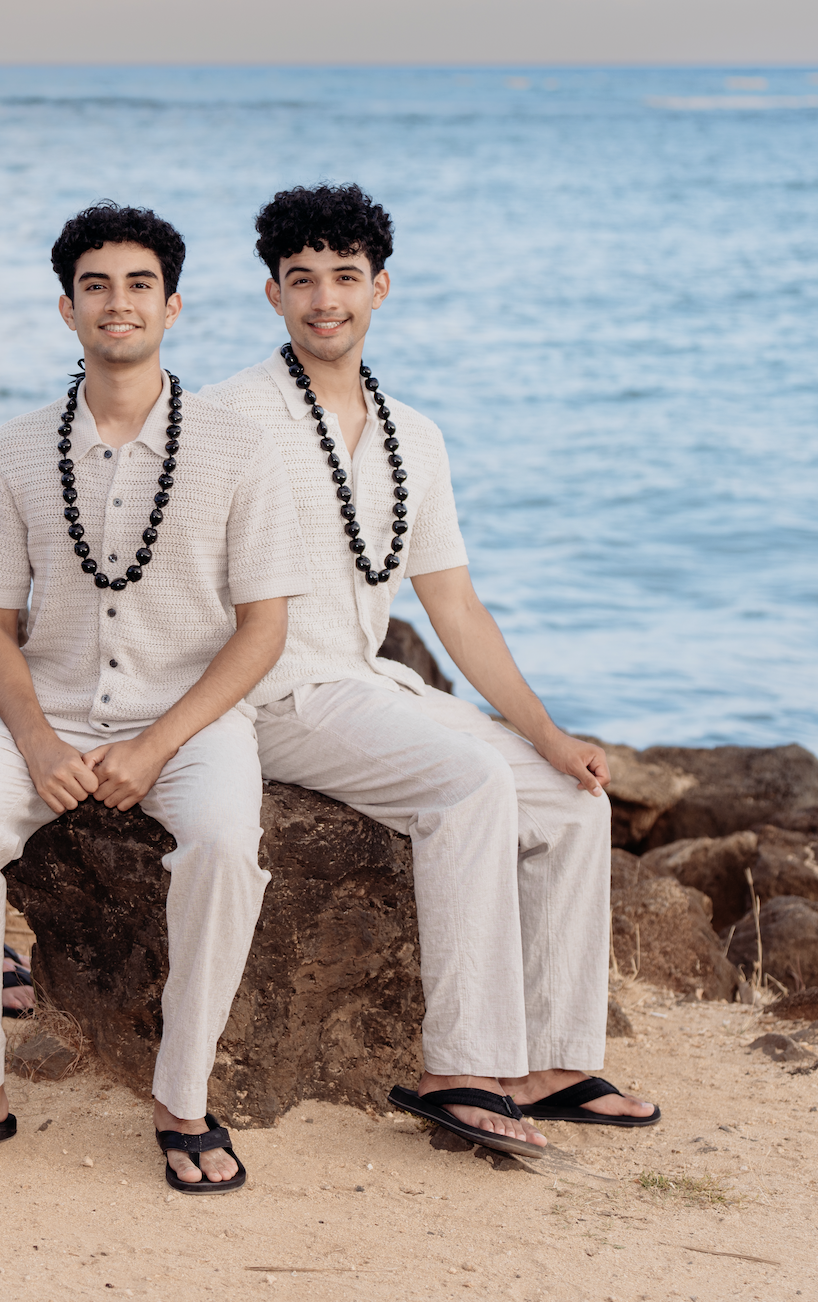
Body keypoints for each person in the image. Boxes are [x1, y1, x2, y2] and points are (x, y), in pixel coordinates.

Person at [204, 183, 657, 1155]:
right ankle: (458, 1065)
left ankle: (551, 1060)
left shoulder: (414, 433)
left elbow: (452, 604)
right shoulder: (230, 417)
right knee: (464, 780)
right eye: (301, 279)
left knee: (570, 800)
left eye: (344, 276)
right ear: (272, 294)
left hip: (366, 684)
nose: (325, 298)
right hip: (271, 694)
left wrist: (547, 730)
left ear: (381, 287)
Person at [0, 203, 308, 1193]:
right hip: (50, 709)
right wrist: (33, 741)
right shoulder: (20, 449)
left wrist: (156, 745)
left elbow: (263, 628)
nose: (118, 302)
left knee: (218, 844)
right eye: (96, 285)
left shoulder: (240, 447)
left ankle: (182, 1097)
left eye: (138, 284)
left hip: (192, 720)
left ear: (173, 304)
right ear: (66, 307)